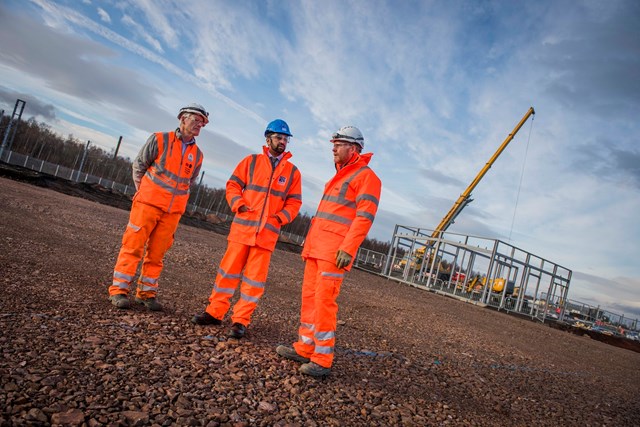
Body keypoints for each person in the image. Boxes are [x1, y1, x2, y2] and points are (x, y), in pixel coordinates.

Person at [276, 126, 381, 377]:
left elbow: (364, 216)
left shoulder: (365, 176)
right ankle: (305, 347)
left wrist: (348, 247)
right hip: (317, 248)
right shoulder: (341, 176)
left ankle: (322, 358)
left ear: (353, 148)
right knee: (310, 300)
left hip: (334, 252)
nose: (333, 148)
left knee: (324, 303)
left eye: (339, 144)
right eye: (333, 143)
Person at [192, 119, 302, 339]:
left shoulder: (292, 172)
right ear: (268, 138)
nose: (283, 142)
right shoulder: (251, 162)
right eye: (279, 137)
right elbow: (233, 185)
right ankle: (214, 313)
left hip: (266, 235)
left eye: (286, 138)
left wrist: (280, 218)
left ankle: (240, 321)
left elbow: (295, 202)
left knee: (253, 282)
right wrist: (238, 204)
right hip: (242, 231)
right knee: (227, 274)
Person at [108, 103, 209, 311]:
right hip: (148, 204)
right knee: (132, 246)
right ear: (182, 119)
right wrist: (144, 192)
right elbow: (139, 166)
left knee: (157, 254)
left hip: (172, 213)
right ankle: (119, 291)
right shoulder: (159, 139)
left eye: (202, 122)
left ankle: (146, 294)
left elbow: (189, 182)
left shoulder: (197, 155)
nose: (199, 125)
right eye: (196, 120)